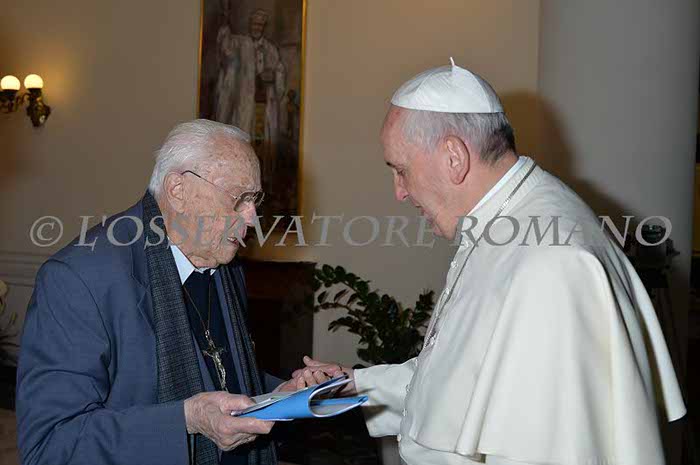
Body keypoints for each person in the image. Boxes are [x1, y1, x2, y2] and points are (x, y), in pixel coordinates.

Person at [295, 60, 687, 465]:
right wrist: (356, 385)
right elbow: (461, 378)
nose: (399, 192)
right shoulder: (506, 220)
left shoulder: (551, 264)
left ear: (454, 157)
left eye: (401, 170)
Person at [16, 120, 317, 465]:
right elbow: (50, 445)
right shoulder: (78, 278)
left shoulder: (224, 265)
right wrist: (185, 421)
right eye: (239, 199)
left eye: (254, 200)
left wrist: (282, 394)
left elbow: (219, 371)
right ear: (178, 189)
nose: (252, 219)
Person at [214, 7, 286, 180]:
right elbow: (226, 51)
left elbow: (280, 71)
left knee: (263, 142)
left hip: (264, 104)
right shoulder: (241, 44)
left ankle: (264, 179)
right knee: (244, 140)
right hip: (245, 104)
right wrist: (225, 27)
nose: (256, 28)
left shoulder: (271, 49)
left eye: (260, 25)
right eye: (254, 24)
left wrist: (274, 76)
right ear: (250, 25)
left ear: (264, 27)